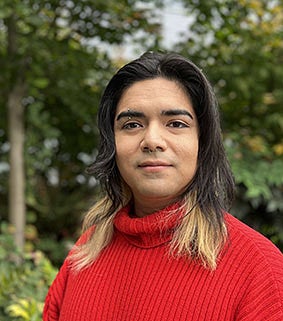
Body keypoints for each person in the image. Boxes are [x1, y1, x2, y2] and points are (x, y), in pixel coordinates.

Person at [43, 52, 283, 321]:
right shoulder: (85, 254)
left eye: (176, 124)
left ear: (202, 143)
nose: (152, 140)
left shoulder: (259, 270)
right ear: (112, 143)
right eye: (132, 124)